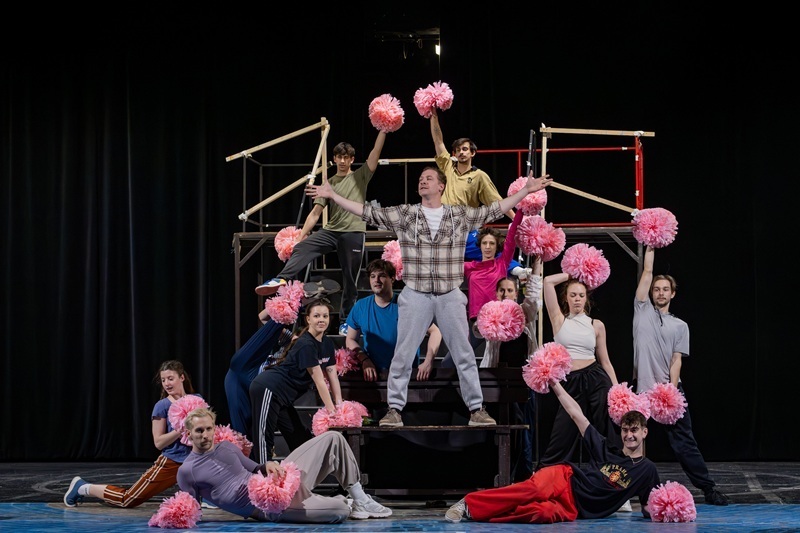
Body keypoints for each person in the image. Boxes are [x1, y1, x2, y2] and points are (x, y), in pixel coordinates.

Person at [307, 166, 552, 427]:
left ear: (441, 186)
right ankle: (394, 410)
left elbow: (493, 209)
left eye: (429, 178)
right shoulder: (406, 214)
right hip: (416, 294)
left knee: (464, 354)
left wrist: (525, 191)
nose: (423, 181)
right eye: (421, 178)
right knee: (403, 354)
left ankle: (476, 410)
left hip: (449, 294)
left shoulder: (458, 215)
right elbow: (368, 212)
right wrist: (333, 196)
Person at [444, 378, 660, 523]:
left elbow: (647, 508)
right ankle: (469, 503)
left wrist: (668, 512)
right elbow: (576, 415)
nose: (629, 435)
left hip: (574, 508)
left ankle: (480, 514)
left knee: (541, 513)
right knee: (534, 490)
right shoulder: (607, 448)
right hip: (565, 478)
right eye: (625, 430)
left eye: (634, 430)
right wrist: (555, 384)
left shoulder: (647, 470)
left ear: (645, 432)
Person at [255, 130, 388, 337]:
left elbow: (375, 152)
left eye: (346, 157)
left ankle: (346, 321)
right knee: (302, 247)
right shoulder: (329, 183)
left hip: (353, 232)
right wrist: (299, 238)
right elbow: (315, 213)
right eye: (339, 157)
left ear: (352, 159)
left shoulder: (360, 175)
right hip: (331, 230)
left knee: (350, 279)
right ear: (334, 159)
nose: (342, 161)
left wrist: (383, 130)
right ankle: (281, 278)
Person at [633, 245, 729, 505]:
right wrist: (650, 243)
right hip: (642, 391)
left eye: (665, 289)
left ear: (672, 294)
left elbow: (676, 361)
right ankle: (624, 493)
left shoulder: (681, 326)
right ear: (651, 293)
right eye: (656, 289)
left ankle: (708, 489)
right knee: (631, 440)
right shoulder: (642, 311)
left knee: (684, 443)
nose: (660, 292)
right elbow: (647, 270)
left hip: (669, 391)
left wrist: (671, 392)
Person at [178, 407, 392, 523]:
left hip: (280, 480)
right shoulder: (187, 471)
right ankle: (335, 502)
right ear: (188, 434)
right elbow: (192, 512)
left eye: (209, 429)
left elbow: (255, 468)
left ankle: (359, 498)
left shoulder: (226, 446)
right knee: (340, 510)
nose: (205, 435)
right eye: (199, 431)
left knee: (333, 438)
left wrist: (269, 465)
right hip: (268, 507)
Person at [64, 360, 202, 508]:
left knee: (198, 500)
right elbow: (159, 442)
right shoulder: (162, 406)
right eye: (163, 380)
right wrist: (179, 430)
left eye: (170, 378)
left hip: (195, 461)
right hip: (172, 462)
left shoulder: (197, 400)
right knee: (128, 499)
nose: (166, 383)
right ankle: (82, 487)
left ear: (182, 378)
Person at [538, 271, 622, 467]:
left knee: (605, 429)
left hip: (596, 378)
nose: (577, 299)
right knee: (563, 432)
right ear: (566, 298)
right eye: (573, 295)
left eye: (581, 295)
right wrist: (574, 274)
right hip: (570, 381)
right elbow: (548, 281)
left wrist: (618, 390)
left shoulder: (596, 325)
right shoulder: (559, 319)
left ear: (586, 298)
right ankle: (545, 475)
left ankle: (613, 474)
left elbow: (605, 361)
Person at [249, 299, 342, 463]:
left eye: (325, 316)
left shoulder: (327, 343)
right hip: (268, 387)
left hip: (283, 397)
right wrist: (331, 411)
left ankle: (300, 475)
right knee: (264, 437)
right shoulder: (305, 344)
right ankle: (263, 476)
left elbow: (332, 375)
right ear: (308, 319)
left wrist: (340, 406)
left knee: (299, 437)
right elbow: (319, 381)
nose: (321, 320)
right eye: (317, 316)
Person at [478, 257, 543, 480]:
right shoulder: (490, 314)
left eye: (510, 290)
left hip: (524, 382)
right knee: (500, 429)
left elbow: (533, 298)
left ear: (516, 294)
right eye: (501, 291)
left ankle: (523, 476)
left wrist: (536, 267)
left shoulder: (525, 314)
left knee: (524, 428)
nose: (505, 294)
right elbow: (478, 331)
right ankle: (498, 474)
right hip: (497, 382)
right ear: (496, 294)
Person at [345, 258, 442, 381]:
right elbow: (350, 339)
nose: (376, 280)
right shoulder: (361, 306)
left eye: (382, 276)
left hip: (406, 376)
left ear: (392, 278)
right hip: (374, 376)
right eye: (373, 276)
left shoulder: (407, 305)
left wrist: (428, 361)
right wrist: (364, 360)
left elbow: (435, 332)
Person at [429, 108, 514, 220]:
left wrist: (516, 219)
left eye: (465, 149)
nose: (461, 152)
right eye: (458, 150)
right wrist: (434, 116)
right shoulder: (448, 166)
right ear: (455, 154)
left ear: (472, 153)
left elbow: (497, 201)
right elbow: (438, 141)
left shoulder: (479, 175)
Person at [224, 305, 294, 439]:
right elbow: (262, 317)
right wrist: (287, 303)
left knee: (249, 428)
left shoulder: (303, 356)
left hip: (259, 386)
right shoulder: (290, 341)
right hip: (247, 370)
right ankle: (292, 302)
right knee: (241, 430)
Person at [465, 210, 525, 348]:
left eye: (491, 243)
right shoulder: (469, 267)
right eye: (484, 243)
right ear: (479, 245)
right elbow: (444, 265)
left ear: (496, 246)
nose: (487, 247)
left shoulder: (501, 263)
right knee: (454, 358)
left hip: (500, 320)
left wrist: (522, 209)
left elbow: (511, 236)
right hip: (477, 322)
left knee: (499, 358)